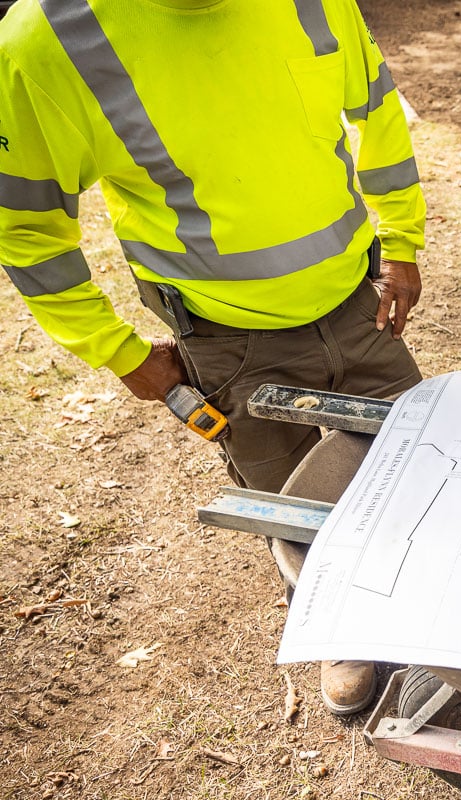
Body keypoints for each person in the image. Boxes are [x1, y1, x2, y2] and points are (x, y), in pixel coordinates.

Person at [0, 0, 426, 715]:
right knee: (289, 504)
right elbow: (28, 230)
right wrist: (119, 352)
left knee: (416, 460)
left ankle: (422, 598)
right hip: (229, 343)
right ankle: (335, 622)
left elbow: (377, 107)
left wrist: (404, 239)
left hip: (361, 307)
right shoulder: (45, 44)